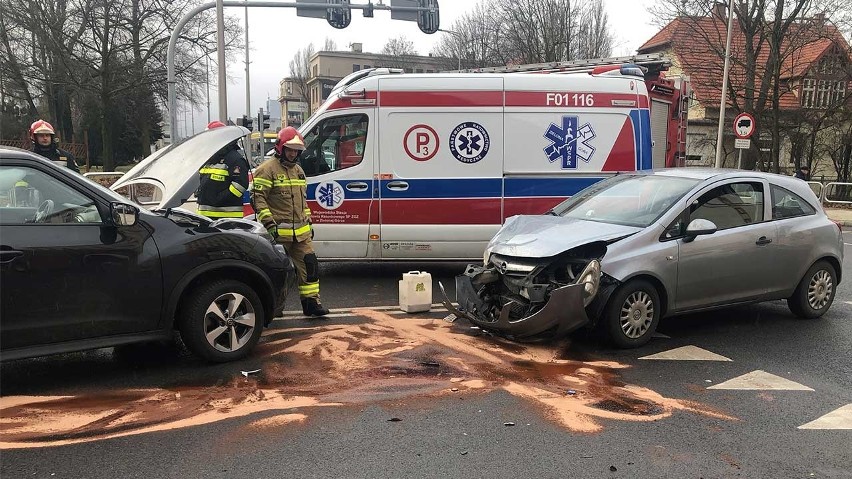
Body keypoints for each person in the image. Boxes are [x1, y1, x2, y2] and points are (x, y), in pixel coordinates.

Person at [252, 126, 329, 317]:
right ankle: (274, 308)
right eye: (290, 149)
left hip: (301, 234)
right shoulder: (266, 170)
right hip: (278, 234)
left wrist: (308, 222)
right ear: (280, 148)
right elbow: (258, 199)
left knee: (310, 265)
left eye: (296, 150)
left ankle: (311, 303)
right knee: (279, 273)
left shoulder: (299, 171)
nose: (293, 154)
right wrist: (269, 225)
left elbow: (302, 202)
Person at [196, 120, 250, 219]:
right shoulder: (209, 158)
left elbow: (240, 185)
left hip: (227, 218)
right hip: (205, 216)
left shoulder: (234, 159)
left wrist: (218, 198)